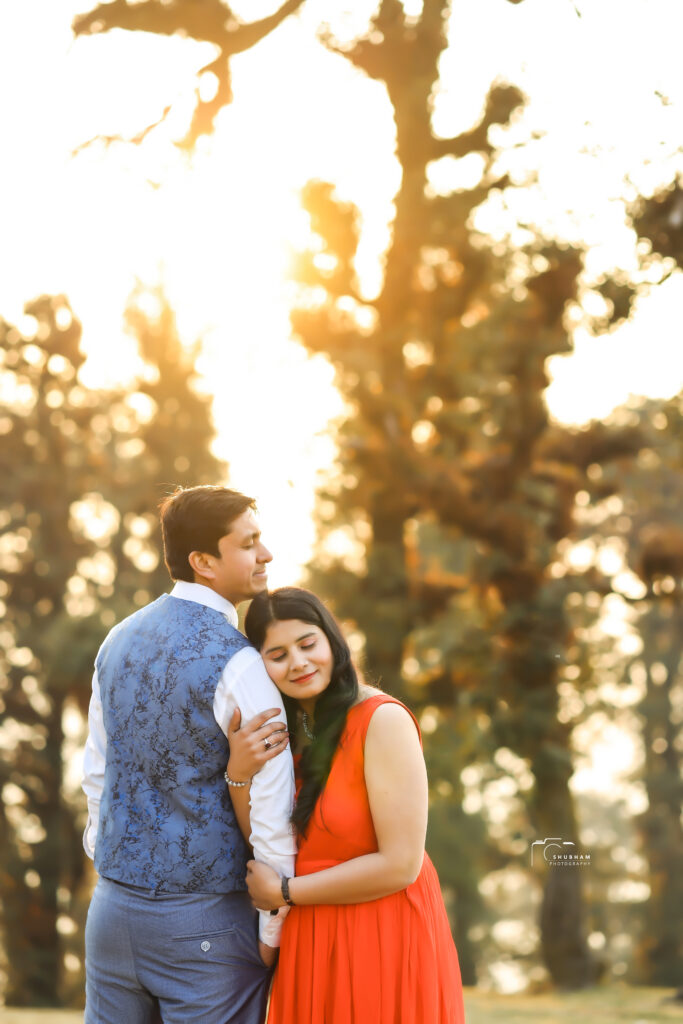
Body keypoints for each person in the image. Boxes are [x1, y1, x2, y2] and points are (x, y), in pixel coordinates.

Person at [81, 486, 296, 1024]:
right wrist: (272, 928)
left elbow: (97, 773)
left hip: (111, 914)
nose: (265, 554)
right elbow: (271, 808)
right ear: (203, 562)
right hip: (206, 926)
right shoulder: (240, 664)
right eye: (248, 544)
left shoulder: (116, 641)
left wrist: (114, 869)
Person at [225, 587, 465, 1024]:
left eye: (307, 644)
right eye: (277, 655)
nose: (298, 663)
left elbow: (401, 864)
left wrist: (285, 893)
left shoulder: (382, 719)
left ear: (332, 640)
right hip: (311, 936)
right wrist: (239, 771)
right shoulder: (285, 731)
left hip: (383, 929)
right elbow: (262, 837)